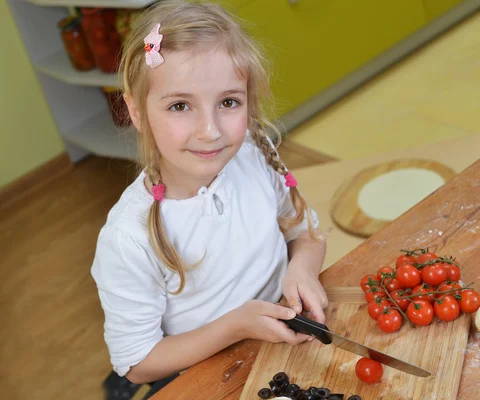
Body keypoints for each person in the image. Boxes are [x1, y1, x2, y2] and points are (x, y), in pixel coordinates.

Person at [91, 0, 328, 388]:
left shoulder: (252, 156)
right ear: (135, 112)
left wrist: (301, 268)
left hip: (281, 350)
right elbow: (136, 363)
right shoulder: (127, 238)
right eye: (180, 105)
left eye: (228, 102)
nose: (210, 130)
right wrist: (235, 327)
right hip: (204, 376)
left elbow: (307, 233)